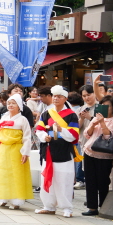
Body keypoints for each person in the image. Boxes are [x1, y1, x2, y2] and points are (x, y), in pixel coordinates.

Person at [35, 85, 80, 217]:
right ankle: (48, 206)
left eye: (59, 97)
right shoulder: (46, 113)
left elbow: (74, 135)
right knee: (47, 178)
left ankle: (67, 208)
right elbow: (39, 129)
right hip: (49, 150)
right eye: (54, 96)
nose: (56, 99)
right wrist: (44, 136)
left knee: (63, 180)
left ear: (65, 98)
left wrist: (62, 130)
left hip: (64, 151)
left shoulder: (71, 115)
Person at [0, 93, 32, 210]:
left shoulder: (23, 120)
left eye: (13, 103)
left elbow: (27, 137)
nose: (10, 105)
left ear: (19, 106)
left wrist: (25, 152)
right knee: (2, 174)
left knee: (16, 175)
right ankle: (3, 198)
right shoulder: (3, 118)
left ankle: (16, 200)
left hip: (16, 150)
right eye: (9, 103)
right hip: (2, 150)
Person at [81, 95, 113, 216]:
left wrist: (102, 123)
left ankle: (103, 206)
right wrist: (93, 124)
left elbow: (108, 136)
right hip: (89, 152)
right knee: (90, 180)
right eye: (103, 106)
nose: (105, 108)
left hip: (104, 155)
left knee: (103, 181)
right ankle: (92, 207)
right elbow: (87, 134)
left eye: (108, 106)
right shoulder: (96, 118)